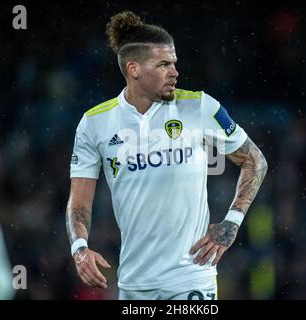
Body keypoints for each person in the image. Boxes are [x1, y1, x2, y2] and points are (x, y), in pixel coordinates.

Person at [66, 11, 268, 300]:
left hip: (191, 277)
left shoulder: (199, 107)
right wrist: (79, 248)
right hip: (134, 283)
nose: (175, 72)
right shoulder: (94, 123)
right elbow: (79, 199)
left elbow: (254, 160)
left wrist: (232, 222)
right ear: (133, 69)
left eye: (174, 63)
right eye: (163, 64)